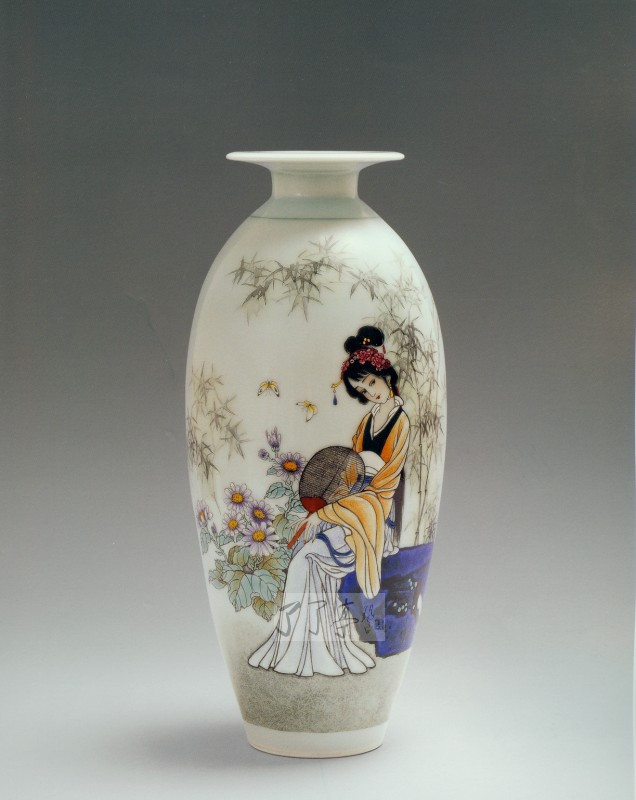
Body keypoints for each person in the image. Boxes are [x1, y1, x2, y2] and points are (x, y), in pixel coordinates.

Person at [247, 326, 410, 676]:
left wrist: (333, 511)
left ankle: (316, 645)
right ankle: (305, 644)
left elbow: (387, 481)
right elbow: (349, 469)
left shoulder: (400, 422)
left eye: (371, 383)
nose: (369, 392)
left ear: (384, 373)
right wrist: (336, 500)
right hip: (352, 505)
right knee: (302, 554)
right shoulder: (367, 420)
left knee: (305, 559)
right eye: (361, 390)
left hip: (373, 513)